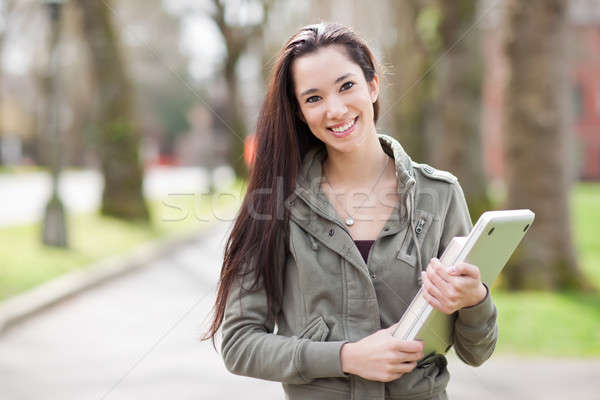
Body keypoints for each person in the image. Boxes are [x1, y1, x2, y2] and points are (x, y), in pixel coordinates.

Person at [203, 22, 497, 400]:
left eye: (346, 86)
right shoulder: (274, 202)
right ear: (299, 112)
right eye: (313, 98)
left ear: (373, 85)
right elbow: (239, 344)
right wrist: (345, 357)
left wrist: (474, 300)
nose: (336, 110)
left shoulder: (439, 195)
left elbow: (477, 351)